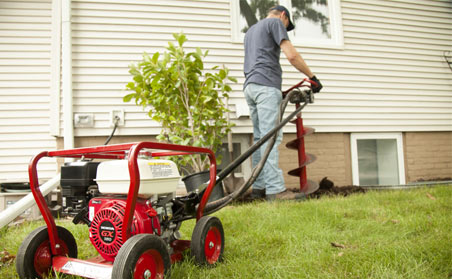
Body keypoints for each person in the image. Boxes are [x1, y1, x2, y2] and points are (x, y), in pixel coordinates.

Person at [243, 5, 322, 201]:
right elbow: (292, 55)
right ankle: (276, 190)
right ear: (284, 16)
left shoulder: (251, 30)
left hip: (250, 87)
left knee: (260, 138)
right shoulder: (275, 23)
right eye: (287, 26)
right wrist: (312, 77)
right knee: (270, 139)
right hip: (266, 86)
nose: (284, 29)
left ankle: (259, 187)